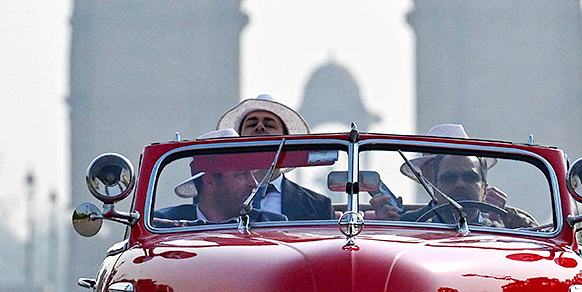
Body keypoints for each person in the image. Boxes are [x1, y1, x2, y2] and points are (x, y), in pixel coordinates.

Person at [374, 125, 536, 229]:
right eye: (449, 178)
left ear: (484, 188)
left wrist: (512, 226)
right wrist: (386, 228)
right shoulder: (406, 225)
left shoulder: (504, 231)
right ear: (432, 181)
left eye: (471, 178)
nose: (460, 185)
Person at [216, 95, 334, 221]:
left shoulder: (317, 206)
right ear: (238, 141)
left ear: (287, 142)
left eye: (270, 125)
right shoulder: (217, 200)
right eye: (251, 124)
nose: (260, 127)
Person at [155, 129, 288, 225]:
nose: (254, 184)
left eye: (252, 173)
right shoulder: (164, 223)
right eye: (241, 174)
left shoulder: (272, 224)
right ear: (209, 181)